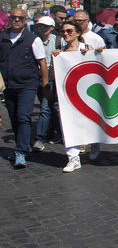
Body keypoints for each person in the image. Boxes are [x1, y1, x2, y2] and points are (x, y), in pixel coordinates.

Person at [0, 8, 52, 169]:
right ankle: (20, 147)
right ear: (10, 18)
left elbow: (42, 63)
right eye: (14, 17)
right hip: (9, 86)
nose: (16, 20)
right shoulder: (2, 38)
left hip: (27, 85)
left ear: (25, 19)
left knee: (23, 117)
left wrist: (44, 85)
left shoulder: (33, 39)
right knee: (14, 118)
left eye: (20, 18)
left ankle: (21, 151)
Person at [54, 20, 96, 172]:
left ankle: (95, 143)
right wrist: (55, 60)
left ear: (78, 33)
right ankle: (73, 158)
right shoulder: (61, 52)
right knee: (68, 125)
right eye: (63, 31)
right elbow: (54, 76)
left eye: (69, 31)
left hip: (87, 92)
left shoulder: (86, 48)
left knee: (91, 122)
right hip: (67, 95)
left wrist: (91, 54)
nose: (65, 34)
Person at [33, 16, 62, 152]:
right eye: (40, 26)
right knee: (50, 107)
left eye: (45, 26)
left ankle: (39, 139)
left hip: (51, 78)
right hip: (35, 77)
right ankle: (60, 132)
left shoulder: (58, 40)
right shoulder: (33, 40)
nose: (42, 28)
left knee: (45, 108)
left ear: (51, 28)